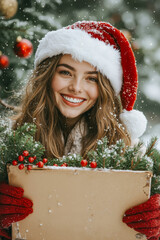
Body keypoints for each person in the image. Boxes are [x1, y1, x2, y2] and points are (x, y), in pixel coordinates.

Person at [0, 21, 159, 240]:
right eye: (66, 72)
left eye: (91, 78)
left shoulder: (126, 150)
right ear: (47, 76)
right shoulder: (12, 140)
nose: (76, 87)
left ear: (104, 88)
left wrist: (154, 227)